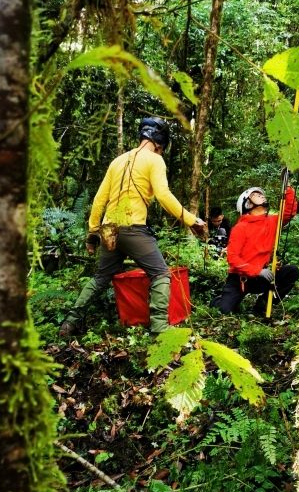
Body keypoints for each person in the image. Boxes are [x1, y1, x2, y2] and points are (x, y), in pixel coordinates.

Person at [60, 117, 206, 337]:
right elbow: (163, 195)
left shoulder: (117, 161)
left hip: (109, 230)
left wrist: (92, 232)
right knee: (160, 274)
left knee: (101, 277)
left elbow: (100, 199)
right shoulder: (155, 160)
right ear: (159, 143)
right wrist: (191, 220)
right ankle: (159, 328)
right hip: (133, 228)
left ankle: (69, 323)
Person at [211, 185, 299, 316]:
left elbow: (289, 212)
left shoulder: (271, 222)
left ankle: (262, 303)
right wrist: (257, 271)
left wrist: (288, 188)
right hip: (240, 279)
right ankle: (220, 300)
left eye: (261, 194)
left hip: (262, 277)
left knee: (292, 271)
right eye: (256, 195)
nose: (261, 195)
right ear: (247, 204)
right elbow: (233, 258)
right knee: (223, 311)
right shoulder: (240, 228)